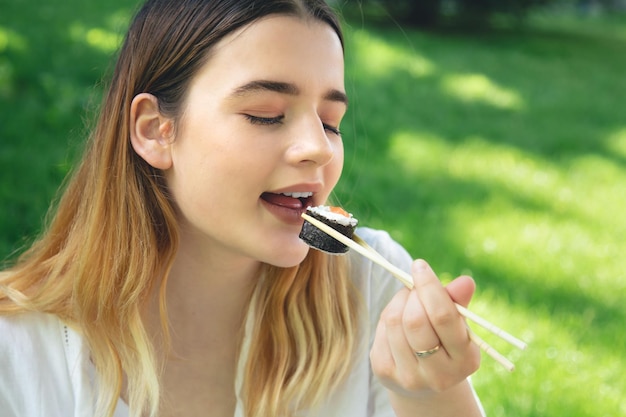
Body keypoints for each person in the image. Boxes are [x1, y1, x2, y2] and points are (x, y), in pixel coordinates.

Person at [0, 0, 485, 416]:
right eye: (266, 115)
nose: (317, 148)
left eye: (331, 122)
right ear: (153, 130)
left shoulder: (376, 287)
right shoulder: (18, 354)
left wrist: (431, 398)